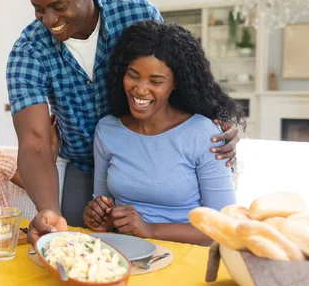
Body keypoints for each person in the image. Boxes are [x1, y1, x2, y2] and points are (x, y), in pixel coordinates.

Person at [5, 0, 240, 243]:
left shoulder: (137, 13)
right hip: (83, 160)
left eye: (59, 7)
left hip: (156, 158)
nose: (49, 20)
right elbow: (35, 141)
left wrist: (216, 120)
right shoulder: (28, 51)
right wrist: (48, 210)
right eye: (39, 10)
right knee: (83, 239)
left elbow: (170, 69)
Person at [82, 21, 243, 245]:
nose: (140, 89)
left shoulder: (203, 134)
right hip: (121, 254)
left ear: (176, 83)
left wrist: (150, 229)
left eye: (156, 81)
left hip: (184, 256)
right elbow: (102, 209)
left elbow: (223, 227)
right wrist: (98, 216)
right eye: (133, 75)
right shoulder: (107, 130)